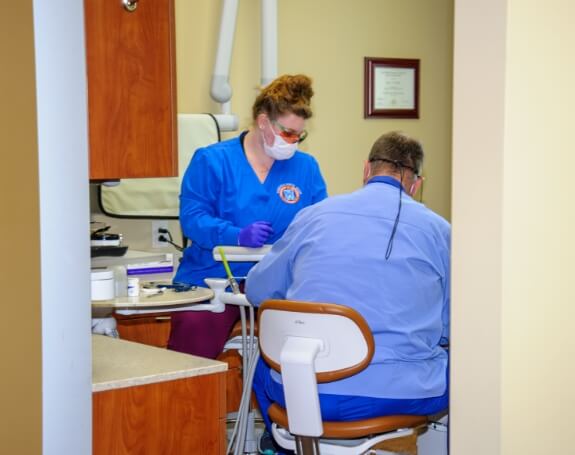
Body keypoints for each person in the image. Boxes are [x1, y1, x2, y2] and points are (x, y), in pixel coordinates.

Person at [246, 131, 450, 437]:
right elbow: (451, 325)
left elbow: (257, 290)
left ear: (366, 169)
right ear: (416, 185)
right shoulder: (439, 231)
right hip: (396, 395)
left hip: (302, 391)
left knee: (264, 368)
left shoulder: (311, 217)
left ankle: (277, 444)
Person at [168, 74, 328, 359]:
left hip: (279, 285)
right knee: (193, 332)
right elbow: (192, 218)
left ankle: (279, 402)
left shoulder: (306, 168)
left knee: (301, 345)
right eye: (288, 133)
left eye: (299, 135)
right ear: (263, 121)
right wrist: (236, 235)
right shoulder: (212, 160)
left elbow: (319, 223)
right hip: (212, 278)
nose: (293, 142)